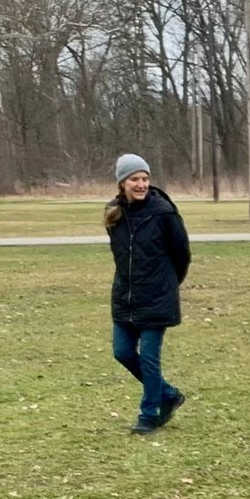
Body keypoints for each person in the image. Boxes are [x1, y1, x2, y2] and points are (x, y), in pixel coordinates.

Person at [105, 154, 190, 434]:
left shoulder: (163, 213)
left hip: (156, 298)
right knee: (123, 352)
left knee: (150, 358)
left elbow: (182, 255)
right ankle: (168, 394)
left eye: (145, 178)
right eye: (134, 179)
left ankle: (149, 413)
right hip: (125, 297)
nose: (141, 184)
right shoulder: (113, 213)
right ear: (122, 183)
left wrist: (166, 285)